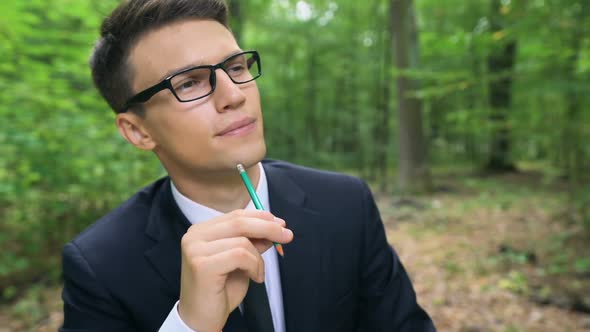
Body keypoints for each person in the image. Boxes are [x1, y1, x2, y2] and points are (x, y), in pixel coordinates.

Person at [60, 0, 436, 331]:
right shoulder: (100, 265)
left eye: (236, 67)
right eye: (189, 83)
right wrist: (189, 327)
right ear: (137, 131)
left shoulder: (344, 204)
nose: (234, 95)